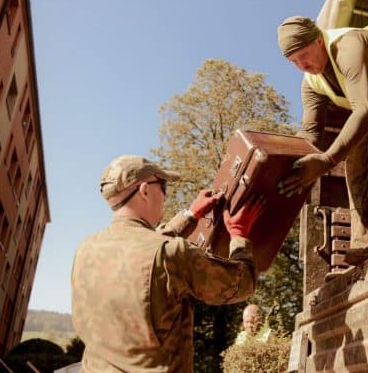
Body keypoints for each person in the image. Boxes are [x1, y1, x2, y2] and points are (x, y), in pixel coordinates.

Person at [71, 155, 265, 372]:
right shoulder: (172, 254)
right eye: (162, 186)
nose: (165, 195)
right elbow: (242, 284)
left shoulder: (84, 250)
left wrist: (190, 215)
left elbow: (146, 248)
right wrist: (240, 236)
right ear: (145, 190)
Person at [276, 16, 368, 265]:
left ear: (319, 40)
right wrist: (287, 167)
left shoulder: (348, 47)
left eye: (304, 55)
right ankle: (363, 242)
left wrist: (328, 159)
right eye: (294, 62)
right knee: (353, 154)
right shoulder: (311, 84)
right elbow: (310, 135)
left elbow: (364, 109)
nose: (302, 65)